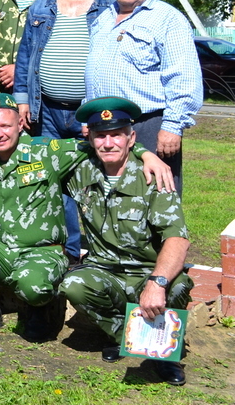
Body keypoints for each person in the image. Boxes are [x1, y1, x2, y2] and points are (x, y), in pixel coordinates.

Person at [0, 94, 172, 341]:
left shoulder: (48, 152)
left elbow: (102, 141)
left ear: (20, 124)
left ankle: (41, 309)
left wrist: (145, 153)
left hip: (42, 253)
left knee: (33, 287)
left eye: (5, 126)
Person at [60, 98, 192, 386]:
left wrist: (156, 283)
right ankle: (124, 335)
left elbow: (177, 238)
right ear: (90, 137)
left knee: (179, 285)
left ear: (131, 138)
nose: (108, 143)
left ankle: (164, 354)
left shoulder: (152, 175)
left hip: (147, 270)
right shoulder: (80, 170)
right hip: (105, 270)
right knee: (74, 284)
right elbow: (38, 151)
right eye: (101, 135)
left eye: (116, 134)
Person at [14, 0, 113, 263]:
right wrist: (22, 98)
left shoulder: (111, 3)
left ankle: (103, 253)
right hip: (47, 112)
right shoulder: (43, 3)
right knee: (54, 185)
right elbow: (26, 54)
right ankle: (68, 253)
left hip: (96, 113)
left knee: (99, 183)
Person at [85, 0, 203, 194]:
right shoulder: (103, 19)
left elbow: (183, 79)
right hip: (106, 125)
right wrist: (88, 112)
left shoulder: (168, 19)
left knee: (156, 200)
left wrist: (172, 126)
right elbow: (94, 71)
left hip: (149, 125)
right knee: (113, 199)